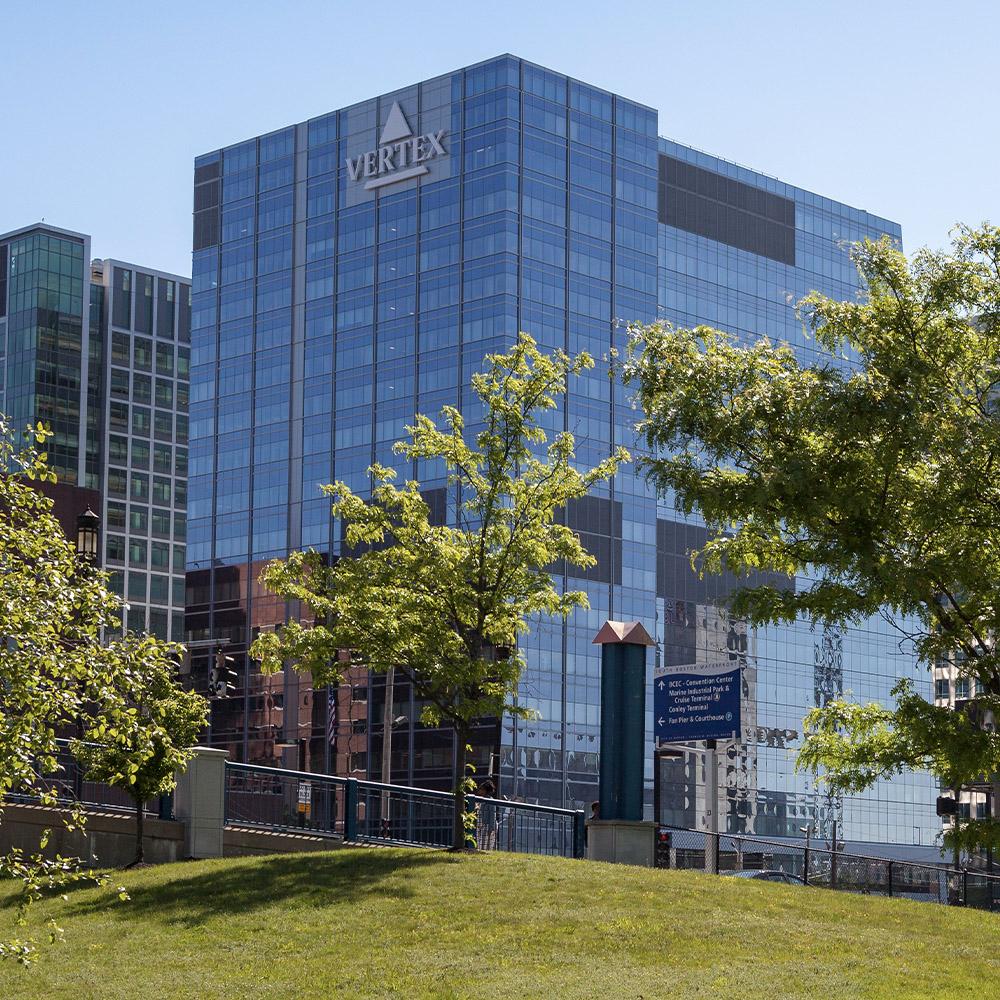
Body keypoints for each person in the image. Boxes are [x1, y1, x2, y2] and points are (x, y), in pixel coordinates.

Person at [475, 779, 498, 851]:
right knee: (481, 843)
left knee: (487, 844)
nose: (479, 790)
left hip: (487, 826)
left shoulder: (490, 800)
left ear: (485, 790)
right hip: (482, 826)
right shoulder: (481, 800)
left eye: (481, 789)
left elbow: (492, 815)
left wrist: (491, 828)